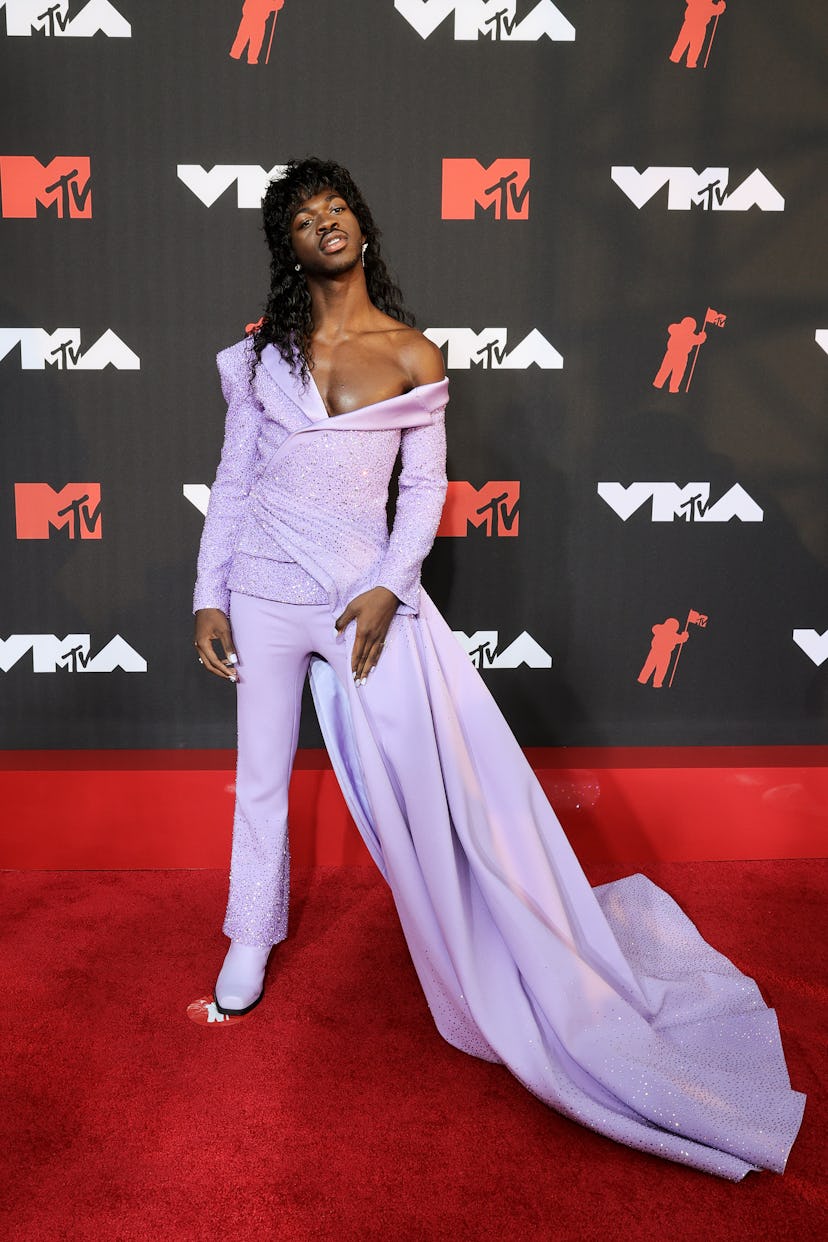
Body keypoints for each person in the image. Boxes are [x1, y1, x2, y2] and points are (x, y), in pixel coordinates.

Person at [193, 158, 805, 1180]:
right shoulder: (254, 364)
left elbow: (423, 489)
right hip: (259, 592)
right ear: (286, 247)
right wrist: (208, 593)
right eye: (303, 216)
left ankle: (481, 946)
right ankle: (248, 939)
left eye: (337, 204)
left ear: (363, 225)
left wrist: (393, 587)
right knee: (260, 785)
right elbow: (230, 480)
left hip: (359, 603)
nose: (325, 221)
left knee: (433, 787)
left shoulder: (416, 356)